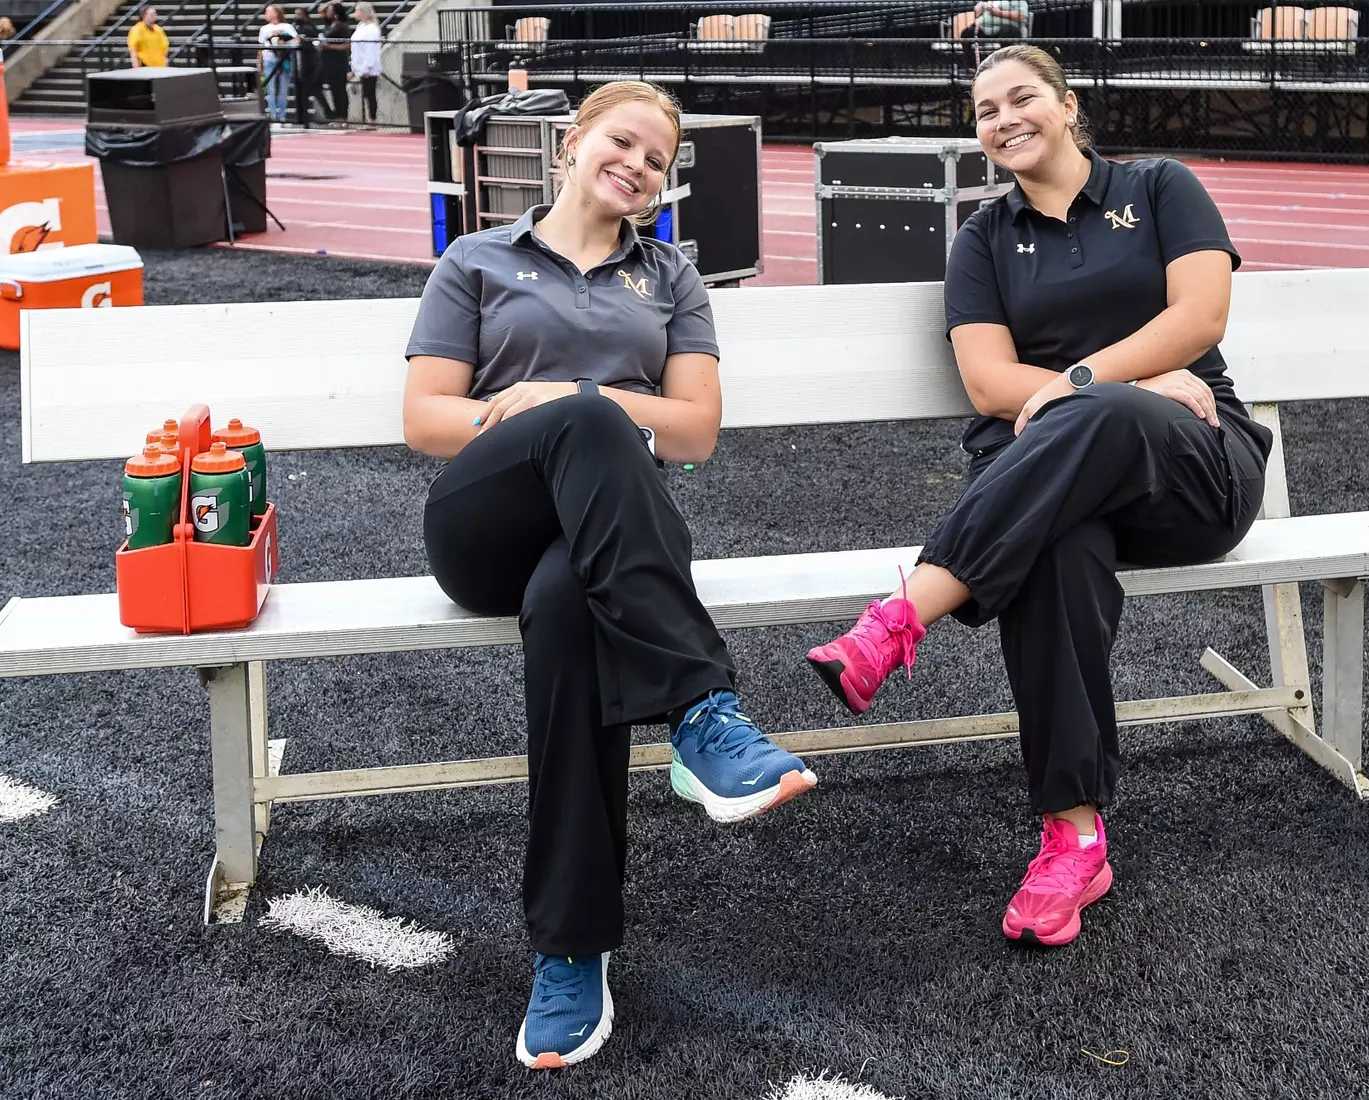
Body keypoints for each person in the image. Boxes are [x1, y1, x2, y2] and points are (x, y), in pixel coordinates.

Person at [805, 44, 1273, 949]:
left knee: (1103, 420)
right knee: (1054, 551)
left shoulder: (1161, 186)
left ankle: (904, 616)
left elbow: (1199, 319)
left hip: (1190, 468)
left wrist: (1094, 385)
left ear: (1066, 105)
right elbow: (987, 384)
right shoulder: (981, 239)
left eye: (1021, 98)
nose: (1003, 118)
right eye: (984, 110)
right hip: (1047, 485)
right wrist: (1106, 394)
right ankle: (1074, 835)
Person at [403, 80, 817, 1070]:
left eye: (655, 159)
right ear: (573, 141)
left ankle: (569, 944)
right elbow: (425, 418)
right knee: (592, 416)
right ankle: (701, 712)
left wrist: (574, 403)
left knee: (568, 609)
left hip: (596, 556)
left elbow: (697, 429)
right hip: (482, 527)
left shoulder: (670, 276)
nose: (635, 166)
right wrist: (560, 410)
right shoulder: (476, 259)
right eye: (619, 142)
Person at [258, 4, 299, 122]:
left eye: (268, 12)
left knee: (283, 89)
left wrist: (284, 42)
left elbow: (296, 40)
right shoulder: (264, 29)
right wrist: (259, 62)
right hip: (269, 60)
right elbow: (261, 46)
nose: (265, 14)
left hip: (284, 60)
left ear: (275, 13)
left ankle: (282, 115)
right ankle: (273, 115)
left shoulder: (287, 26)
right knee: (271, 89)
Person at [316, 3, 353, 122]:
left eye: (331, 10)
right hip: (327, 62)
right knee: (316, 85)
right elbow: (320, 10)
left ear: (336, 14)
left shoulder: (341, 27)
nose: (328, 12)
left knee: (339, 90)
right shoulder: (329, 25)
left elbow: (347, 45)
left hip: (338, 62)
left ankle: (342, 117)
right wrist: (331, 3)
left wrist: (330, 46)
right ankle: (332, 113)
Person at [348, 3, 382, 125]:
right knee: (365, 94)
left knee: (370, 93)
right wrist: (354, 66)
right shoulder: (361, 26)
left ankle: (372, 119)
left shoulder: (372, 28)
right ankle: (368, 118)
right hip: (359, 64)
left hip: (369, 67)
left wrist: (367, 67)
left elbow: (370, 49)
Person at [962, 0, 1031, 39]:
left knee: (1007, 32)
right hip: (985, 28)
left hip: (1007, 29)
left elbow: (1022, 16)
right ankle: (970, 64)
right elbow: (977, 14)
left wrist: (1000, 13)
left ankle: (1003, 62)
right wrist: (979, 9)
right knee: (966, 33)